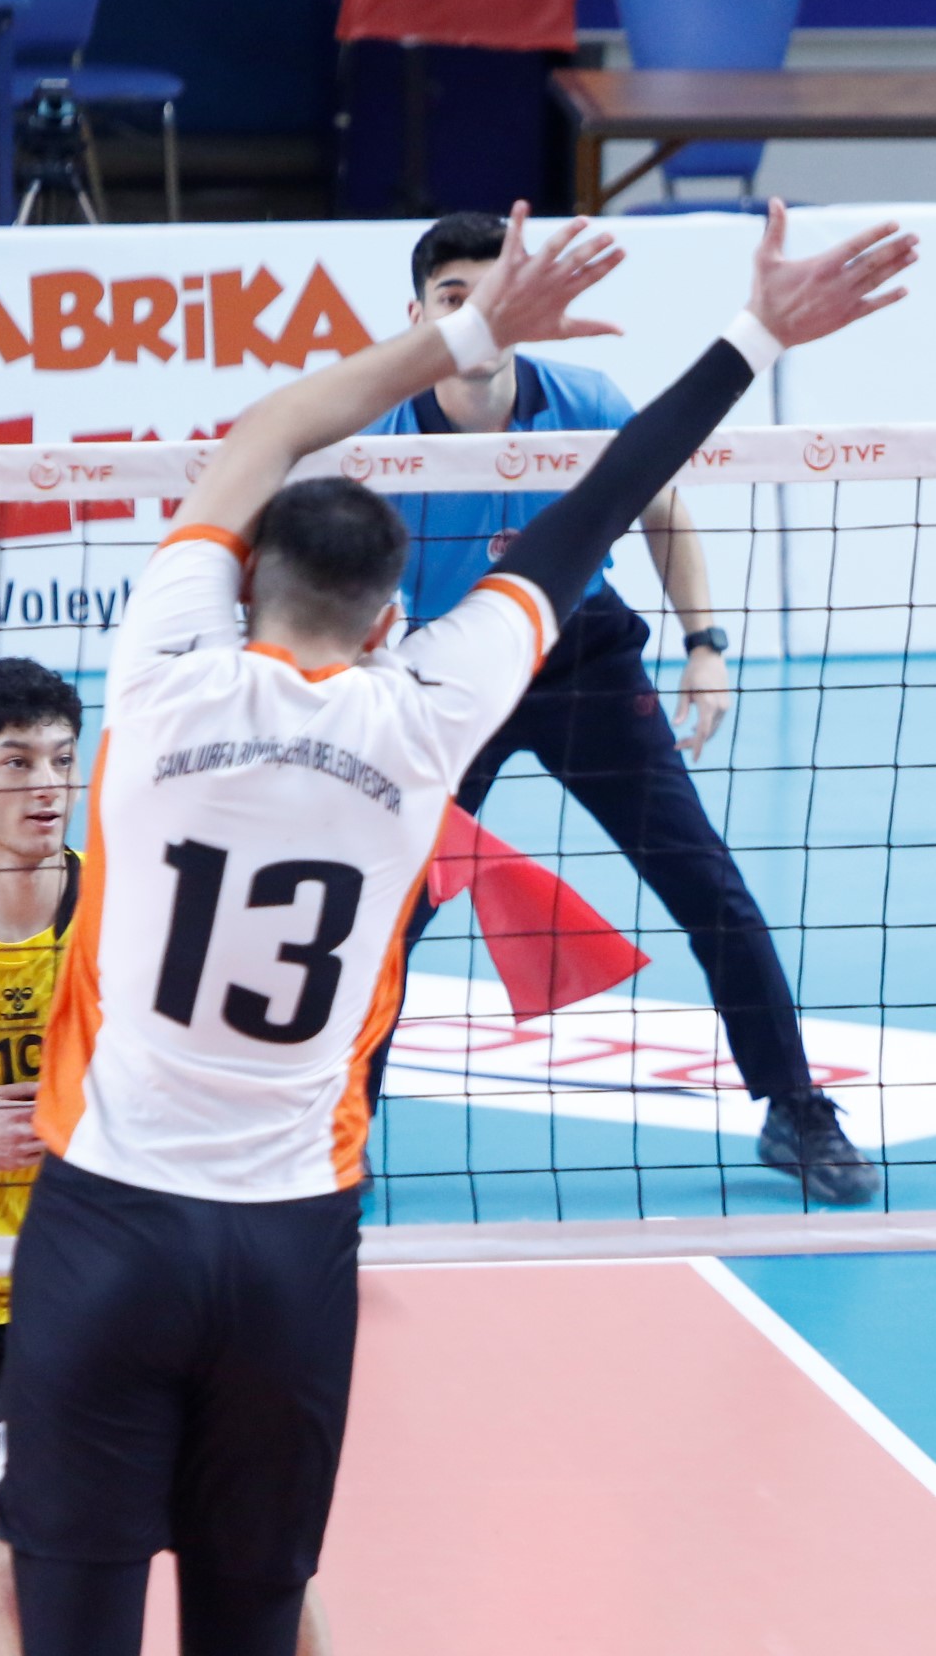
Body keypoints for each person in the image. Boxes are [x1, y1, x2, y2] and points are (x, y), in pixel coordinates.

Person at [0, 200, 913, 1656]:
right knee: (255, 1614)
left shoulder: (161, 679)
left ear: (237, 582)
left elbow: (271, 429)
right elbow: (605, 501)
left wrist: (466, 329)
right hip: (290, 1243)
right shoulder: (428, 716)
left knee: (69, 1619)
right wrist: (755, 334)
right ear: (388, 622)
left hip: (107, 1217)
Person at [0, 661, 337, 1656]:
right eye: (17, 762)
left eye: (61, 759)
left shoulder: (140, 914)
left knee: (254, 1563)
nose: (47, 784)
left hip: (138, 1276)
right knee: (10, 1563)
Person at [363, 210, 875, 1204]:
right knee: (388, 909)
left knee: (705, 882)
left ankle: (796, 1106)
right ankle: (342, 1118)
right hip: (443, 676)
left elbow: (663, 510)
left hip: (582, 659)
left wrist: (705, 646)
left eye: (492, 295)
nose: (474, 315)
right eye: (452, 298)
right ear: (417, 316)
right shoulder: (380, 437)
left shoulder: (585, 399)